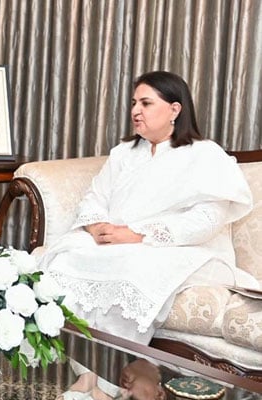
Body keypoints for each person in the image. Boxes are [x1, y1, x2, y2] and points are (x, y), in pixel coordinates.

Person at [38, 71, 258, 345]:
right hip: (117, 243)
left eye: (146, 103)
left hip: (185, 251)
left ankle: (107, 376)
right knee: (67, 255)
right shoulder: (124, 153)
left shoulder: (205, 154)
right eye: (133, 103)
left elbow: (206, 221)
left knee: (132, 267)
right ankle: (80, 372)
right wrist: (98, 228)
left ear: (174, 110)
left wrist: (137, 235)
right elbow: (95, 197)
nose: (135, 111)